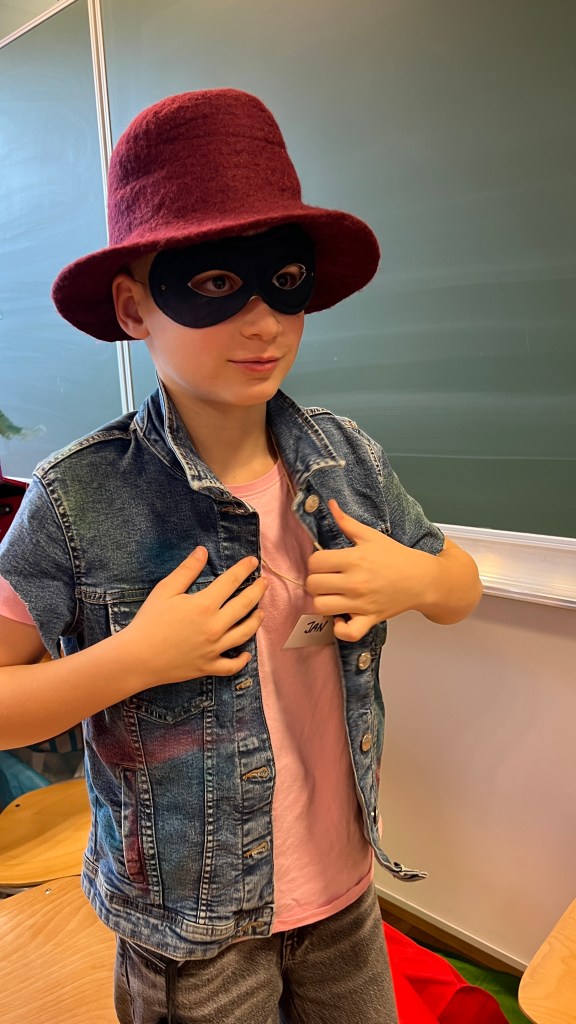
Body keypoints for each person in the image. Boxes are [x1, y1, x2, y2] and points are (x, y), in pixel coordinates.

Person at [0, 89, 482, 1024]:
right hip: (193, 934)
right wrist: (134, 659)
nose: (264, 323)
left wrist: (418, 579)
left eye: (285, 281)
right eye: (217, 284)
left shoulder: (347, 459)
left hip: (344, 896)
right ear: (135, 307)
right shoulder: (75, 498)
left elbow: (458, 585)